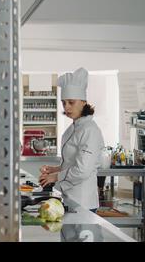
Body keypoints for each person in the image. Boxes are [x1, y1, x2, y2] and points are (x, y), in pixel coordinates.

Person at [39, 67, 104, 212]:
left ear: (83, 102)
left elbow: (83, 169)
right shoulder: (73, 127)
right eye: (63, 103)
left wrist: (55, 177)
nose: (66, 107)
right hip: (68, 197)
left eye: (71, 102)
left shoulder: (90, 130)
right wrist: (55, 169)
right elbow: (72, 162)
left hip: (83, 201)